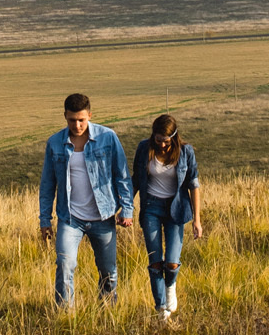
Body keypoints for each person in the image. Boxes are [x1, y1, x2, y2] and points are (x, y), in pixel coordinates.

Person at [37, 92, 132, 307]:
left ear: (90, 115)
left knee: (108, 270)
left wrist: (127, 209)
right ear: (65, 117)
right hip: (70, 218)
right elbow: (47, 185)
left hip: (103, 215)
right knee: (64, 263)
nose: (77, 125)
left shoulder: (108, 138)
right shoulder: (54, 143)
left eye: (81, 119)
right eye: (72, 120)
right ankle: (65, 315)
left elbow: (122, 175)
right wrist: (45, 220)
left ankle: (107, 311)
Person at [132, 113, 201, 320]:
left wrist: (197, 220)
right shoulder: (144, 148)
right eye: (158, 140)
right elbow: (136, 180)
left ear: (174, 137)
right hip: (151, 206)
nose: (162, 145)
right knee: (155, 262)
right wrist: (125, 208)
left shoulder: (185, 152)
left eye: (166, 140)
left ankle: (170, 286)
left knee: (171, 262)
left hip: (176, 208)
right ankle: (162, 309)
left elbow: (193, 185)